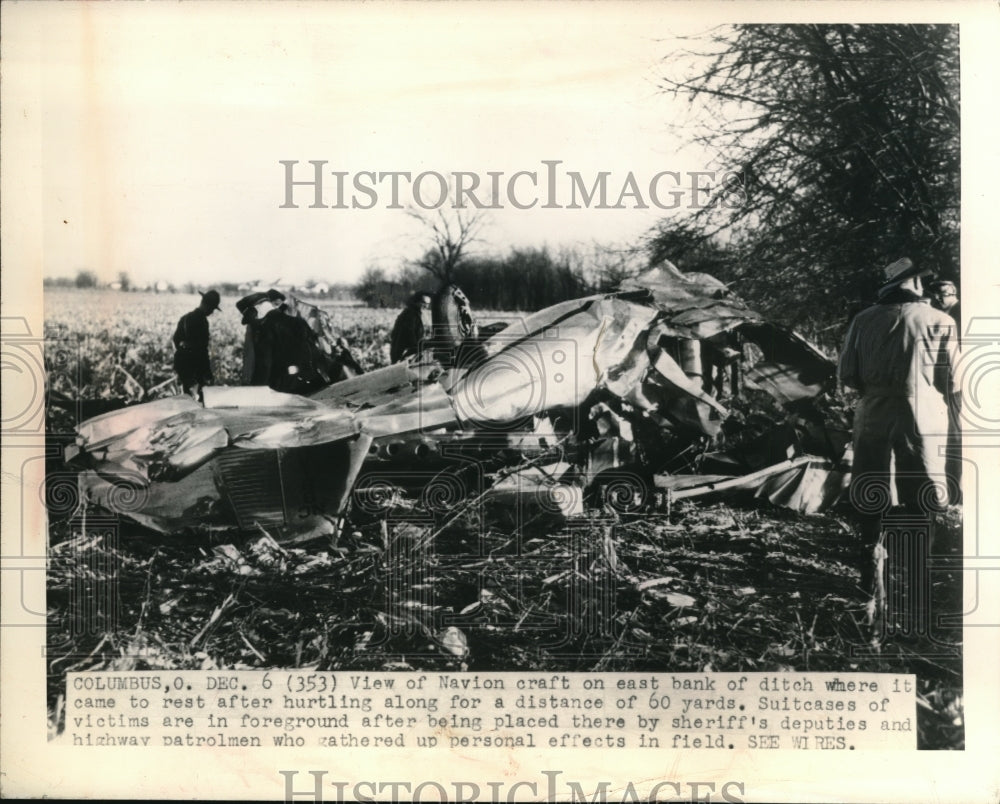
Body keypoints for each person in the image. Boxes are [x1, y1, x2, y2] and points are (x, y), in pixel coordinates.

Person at [838, 257, 960, 595]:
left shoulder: (863, 320)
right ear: (916, 284)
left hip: (874, 411)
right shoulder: (941, 321)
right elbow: (953, 381)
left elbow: (848, 374)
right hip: (924, 415)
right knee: (923, 491)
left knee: (873, 488)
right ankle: (918, 577)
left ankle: (871, 572)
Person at [172, 289, 221, 401]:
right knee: (197, 399)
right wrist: (207, 372)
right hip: (195, 366)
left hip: (182, 364)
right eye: (213, 308)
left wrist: (184, 346)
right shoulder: (202, 322)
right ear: (208, 306)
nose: (212, 312)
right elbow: (202, 349)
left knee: (186, 397)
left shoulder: (185, 318)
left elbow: (176, 339)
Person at [390, 291, 431, 363]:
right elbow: (409, 333)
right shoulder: (410, 314)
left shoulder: (415, 313)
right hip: (402, 352)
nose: (426, 306)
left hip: (404, 351)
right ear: (417, 302)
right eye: (423, 303)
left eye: (428, 304)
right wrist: (415, 348)